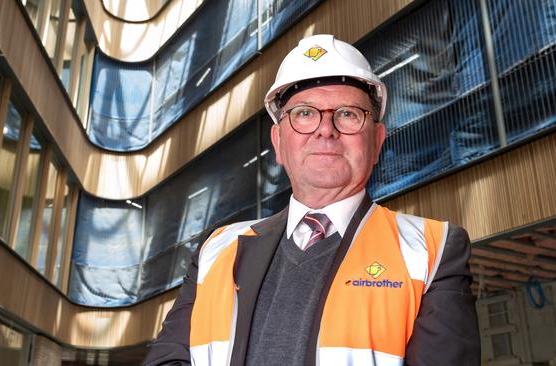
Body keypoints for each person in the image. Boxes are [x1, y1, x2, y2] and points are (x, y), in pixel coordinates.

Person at [143, 34, 480, 366]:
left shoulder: (432, 250)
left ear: (377, 141)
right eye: (304, 113)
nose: (325, 129)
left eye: (348, 113)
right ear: (278, 142)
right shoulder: (216, 250)